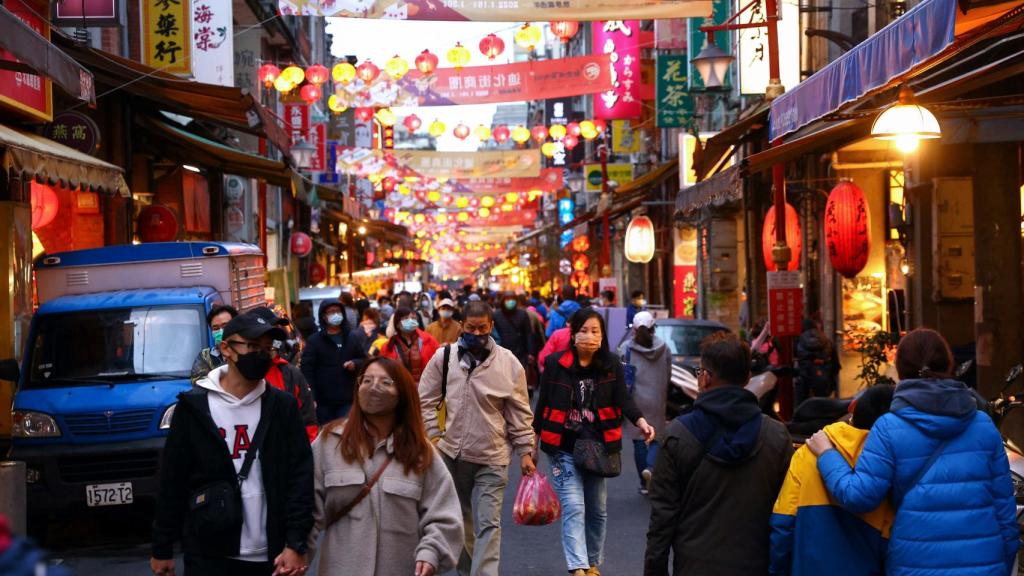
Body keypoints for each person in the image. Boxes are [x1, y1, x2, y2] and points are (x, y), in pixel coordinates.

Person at [806, 328, 1019, 575]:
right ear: (950, 364)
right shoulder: (982, 425)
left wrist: (827, 454)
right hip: (984, 565)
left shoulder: (888, 428)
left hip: (916, 565)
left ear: (899, 371)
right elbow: (1005, 512)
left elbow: (859, 496)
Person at [151, 311, 313, 576]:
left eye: (267, 348)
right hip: (208, 553)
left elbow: (300, 478)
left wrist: (295, 543)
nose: (261, 354)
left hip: (272, 555)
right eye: (251, 346)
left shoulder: (281, 406)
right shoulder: (194, 409)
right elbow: (173, 479)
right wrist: (162, 547)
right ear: (226, 348)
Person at [645, 332, 793, 576]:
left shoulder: (677, 435)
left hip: (695, 566)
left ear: (705, 378)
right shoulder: (776, 436)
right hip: (757, 565)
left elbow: (662, 520)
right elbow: (786, 515)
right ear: (747, 378)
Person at [306, 357, 463, 576]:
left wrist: (431, 553)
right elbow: (307, 511)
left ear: (402, 394)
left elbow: (445, 515)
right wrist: (296, 554)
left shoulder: (419, 452)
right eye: (367, 380)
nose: (373, 388)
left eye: (385, 382)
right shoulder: (330, 443)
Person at [534, 308, 655, 576]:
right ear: (573, 333)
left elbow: (624, 399)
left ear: (602, 336)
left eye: (595, 331)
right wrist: (531, 445)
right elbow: (542, 404)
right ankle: (577, 566)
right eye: (584, 330)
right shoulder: (556, 363)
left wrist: (641, 422)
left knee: (597, 511)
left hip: (598, 449)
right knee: (574, 506)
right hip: (562, 447)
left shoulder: (611, 364)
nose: (590, 336)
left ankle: (592, 562)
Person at [418, 301, 536, 576]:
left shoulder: (508, 364)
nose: (477, 333)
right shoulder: (443, 358)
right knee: (457, 522)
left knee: (489, 524)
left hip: (492, 457)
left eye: (483, 328)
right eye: (471, 328)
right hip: (450, 454)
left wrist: (525, 451)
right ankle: (470, 570)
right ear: (462, 326)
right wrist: (434, 436)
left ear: (491, 327)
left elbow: (519, 412)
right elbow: (425, 399)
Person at [769, 385, 896, 576]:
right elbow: (890, 541)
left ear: (853, 408)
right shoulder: (889, 466)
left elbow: (784, 522)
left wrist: (777, 570)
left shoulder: (809, 452)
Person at [617, 311, 672, 495]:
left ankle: (644, 481)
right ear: (653, 328)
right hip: (658, 399)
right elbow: (669, 374)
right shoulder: (664, 348)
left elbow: (620, 374)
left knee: (639, 440)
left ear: (633, 328)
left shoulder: (626, 348)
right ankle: (651, 467)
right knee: (656, 437)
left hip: (635, 401)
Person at [249, 307, 319, 443]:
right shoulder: (242, 373)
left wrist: (308, 450)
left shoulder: (290, 372)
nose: (276, 335)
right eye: (270, 330)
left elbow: (308, 418)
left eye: (277, 329)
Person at [301, 298, 365, 424]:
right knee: (327, 434)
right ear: (324, 317)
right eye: (331, 312)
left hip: (348, 397)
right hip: (323, 400)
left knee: (345, 431)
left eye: (338, 311)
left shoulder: (352, 337)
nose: (335, 314)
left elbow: (364, 359)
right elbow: (307, 369)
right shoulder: (315, 341)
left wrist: (355, 363)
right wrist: (312, 396)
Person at [379, 307, 440, 385]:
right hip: (400, 390)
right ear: (397, 324)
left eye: (413, 318)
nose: (410, 320)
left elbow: (438, 364)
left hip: (424, 389)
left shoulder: (429, 341)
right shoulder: (388, 346)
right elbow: (383, 371)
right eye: (406, 318)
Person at [794, 318, 839, 406]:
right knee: (823, 404)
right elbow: (836, 364)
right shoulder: (826, 340)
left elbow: (795, 358)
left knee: (803, 404)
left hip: (804, 378)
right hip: (823, 377)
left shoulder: (799, 341)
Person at [191, 305, 238, 384]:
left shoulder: (246, 351)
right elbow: (198, 383)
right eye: (216, 328)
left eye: (225, 326)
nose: (221, 332)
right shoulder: (205, 356)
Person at [492, 291, 535, 368]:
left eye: (512, 299)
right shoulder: (496, 315)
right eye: (508, 299)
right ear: (503, 301)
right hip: (502, 352)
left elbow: (528, 333)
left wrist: (530, 352)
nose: (510, 301)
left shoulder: (523, 314)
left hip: (520, 352)